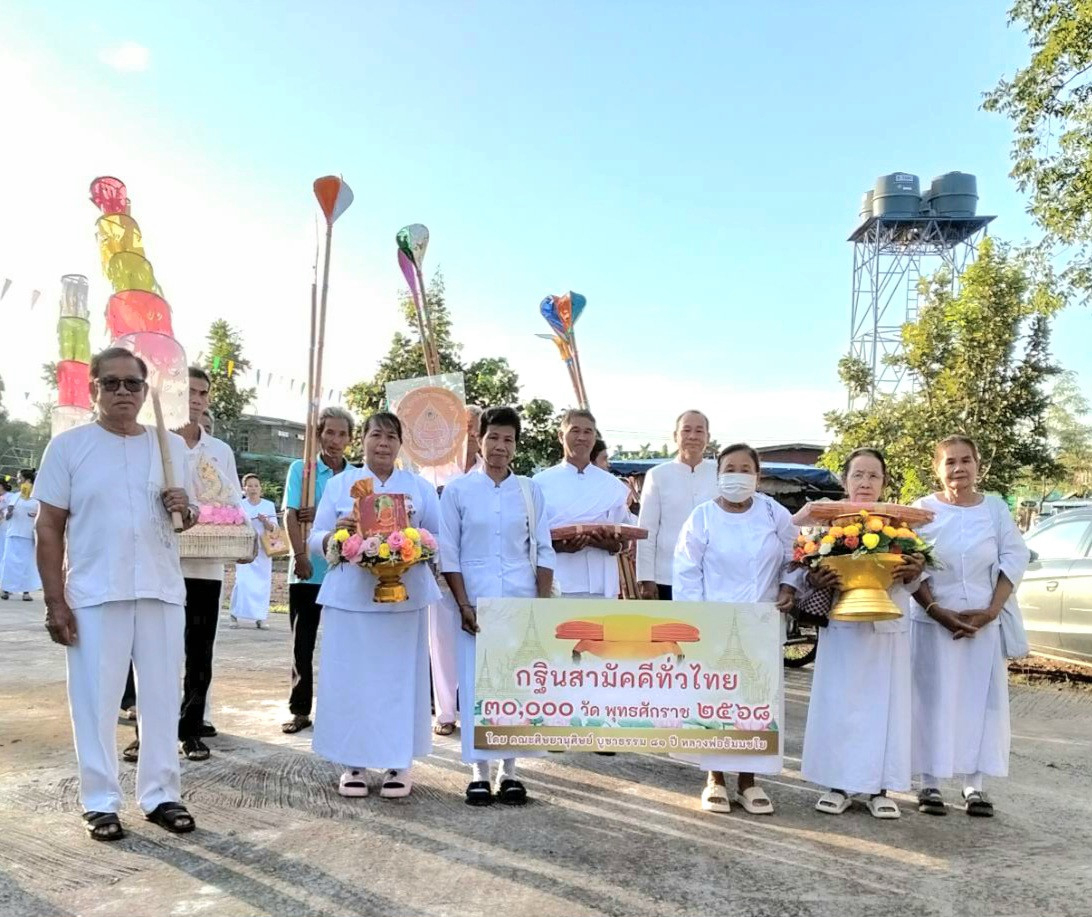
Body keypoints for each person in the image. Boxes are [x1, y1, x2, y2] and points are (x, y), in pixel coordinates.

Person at [35, 347, 200, 840]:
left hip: (160, 588)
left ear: (146, 391)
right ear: (94, 390)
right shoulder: (68, 448)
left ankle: (161, 794)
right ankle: (100, 801)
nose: (122, 391)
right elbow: (49, 527)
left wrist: (184, 507)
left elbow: (188, 517)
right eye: (111, 383)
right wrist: (55, 602)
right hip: (94, 592)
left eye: (132, 383)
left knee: (162, 698)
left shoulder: (171, 447)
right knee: (95, 701)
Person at [307, 412, 440, 798]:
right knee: (353, 681)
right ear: (362, 440)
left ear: (400, 444)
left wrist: (415, 543)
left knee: (399, 681)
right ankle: (354, 763)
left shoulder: (419, 488)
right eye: (376, 435)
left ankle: (399, 762)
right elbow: (315, 538)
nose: (383, 443)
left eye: (391, 436)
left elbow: (438, 540)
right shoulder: (340, 485)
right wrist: (338, 535)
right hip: (351, 598)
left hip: (405, 600)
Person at [439, 407, 556, 805]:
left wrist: (541, 606)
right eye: (493, 438)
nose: (500, 446)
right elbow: (449, 552)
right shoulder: (457, 491)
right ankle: (479, 773)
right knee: (477, 687)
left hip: (520, 602)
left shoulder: (529, 490)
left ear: (516, 445)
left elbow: (543, 549)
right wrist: (462, 603)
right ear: (479, 439)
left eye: (508, 439)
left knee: (515, 688)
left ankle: (510, 772)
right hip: (475, 605)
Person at [800, 448, 925, 818]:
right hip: (843, 629)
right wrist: (815, 577)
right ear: (845, 481)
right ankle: (837, 785)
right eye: (858, 475)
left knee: (885, 707)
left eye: (873, 476)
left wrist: (914, 570)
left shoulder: (902, 527)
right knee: (840, 704)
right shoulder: (826, 526)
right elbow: (804, 572)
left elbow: (916, 582)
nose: (866, 483)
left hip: (888, 630)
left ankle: (879, 789)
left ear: (884, 482)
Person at [909, 435, 1030, 818]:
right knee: (931, 700)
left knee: (980, 704)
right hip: (932, 624)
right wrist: (936, 611)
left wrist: (992, 611)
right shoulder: (922, 510)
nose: (958, 468)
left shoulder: (994, 509)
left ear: (978, 465)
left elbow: (1014, 556)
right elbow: (910, 564)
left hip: (982, 625)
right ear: (937, 468)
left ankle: (975, 786)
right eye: (950, 462)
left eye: (966, 460)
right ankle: (929, 782)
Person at [673, 443, 797, 815]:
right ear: (718, 475)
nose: (737, 476)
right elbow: (686, 571)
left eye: (746, 469)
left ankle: (749, 781)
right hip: (714, 623)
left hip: (762, 621)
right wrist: (697, 621)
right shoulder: (702, 517)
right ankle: (715, 778)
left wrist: (789, 587)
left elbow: (795, 556)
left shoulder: (775, 514)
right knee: (715, 700)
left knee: (757, 702)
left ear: (758, 476)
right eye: (730, 469)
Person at [175, 367, 242, 760]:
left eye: (202, 393)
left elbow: (232, 500)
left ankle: (191, 729)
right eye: (189, 391)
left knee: (199, 651)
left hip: (206, 564)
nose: (196, 399)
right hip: (163, 564)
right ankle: (149, 730)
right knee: (155, 651)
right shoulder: (155, 442)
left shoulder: (220, 451)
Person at [282, 406, 353, 734]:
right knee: (302, 644)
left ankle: (341, 708)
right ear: (318, 435)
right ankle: (300, 710)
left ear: (350, 439)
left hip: (344, 570)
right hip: (308, 570)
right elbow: (290, 514)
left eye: (342, 434)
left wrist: (323, 515)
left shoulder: (356, 477)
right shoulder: (303, 470)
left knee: (342, 644)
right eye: (329, 432)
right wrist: (300, 555)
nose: (335, 440)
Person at [533, 410, 629, 599]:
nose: (582, 437)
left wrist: (611, 545)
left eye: (588, 432)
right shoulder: (539, 483)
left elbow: (624, 540)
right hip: (559, 582)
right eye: (575, 431)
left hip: (603, 585)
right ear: (561, 436)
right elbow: (530, 540)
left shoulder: (612, 485)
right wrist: (561, 546)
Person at [637, 410, 717, 601]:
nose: (693, 436)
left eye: (699, 431)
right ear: (675, 436)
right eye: (686, 430)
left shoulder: (720, 472)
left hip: (714, 574)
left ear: (708, 437)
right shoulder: (657, 475)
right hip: (667, 575)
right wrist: (646, 578)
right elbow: (647, 529)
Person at [229, 474, 277, 629]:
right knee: (242, 582)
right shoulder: (240, 505)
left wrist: (265, 521)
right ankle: (234, 614)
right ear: (244, 489)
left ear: (260, 488)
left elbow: (274, 528)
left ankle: (260, 617)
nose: (253, 489)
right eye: (250, 486)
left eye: (256, 485)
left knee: (262, 584)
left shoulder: (268, 505)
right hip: (244, 548)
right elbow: (233, 524)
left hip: (263, 550)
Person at [2, 470, 42, 600]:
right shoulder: (15, 496)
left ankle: (26, 592)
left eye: (20, 478)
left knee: (27, 564)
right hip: (13, 533)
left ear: (28, 480)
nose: (18, 481)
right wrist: (9, 512)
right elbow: (7, 516)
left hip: (28, 535)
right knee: (10, 563)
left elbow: (41, 515)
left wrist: (34, 515)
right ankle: (6, 589)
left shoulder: (37, 498)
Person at [0, 478, 13, 579]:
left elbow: (11, 510)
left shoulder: (11, 496)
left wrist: (3, 513)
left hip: (6, 527)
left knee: (5, 551)